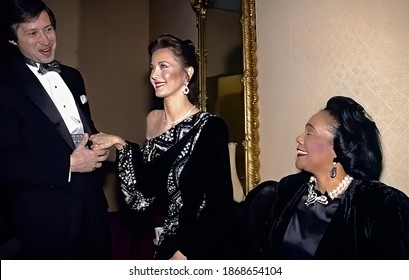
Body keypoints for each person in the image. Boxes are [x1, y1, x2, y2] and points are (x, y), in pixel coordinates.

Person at [90, 33, 237, 260]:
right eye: (152, 68)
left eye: (163, 66)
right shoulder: (153, 119)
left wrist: (185, 252)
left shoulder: (211, 128)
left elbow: (219, 205)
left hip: (200, 247)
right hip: (164, 243)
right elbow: (145, 195)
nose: (154, 75)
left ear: (187, 73)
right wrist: (120, 144)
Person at [0, 0, 112, 259]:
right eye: (32, 33)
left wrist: (98, 143)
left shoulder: (73, 77)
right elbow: (5, 162)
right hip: (42, 224)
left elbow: (82, 128)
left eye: (48, 29)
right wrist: (67, 164)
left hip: (92, 210)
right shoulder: (5, 84)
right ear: (12, 40)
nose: (45, 39)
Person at [239, 96, 409, 259]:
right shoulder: (289, 189)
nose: (299, 138)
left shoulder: (380, 204)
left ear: (338, 147)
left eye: (309, 133)